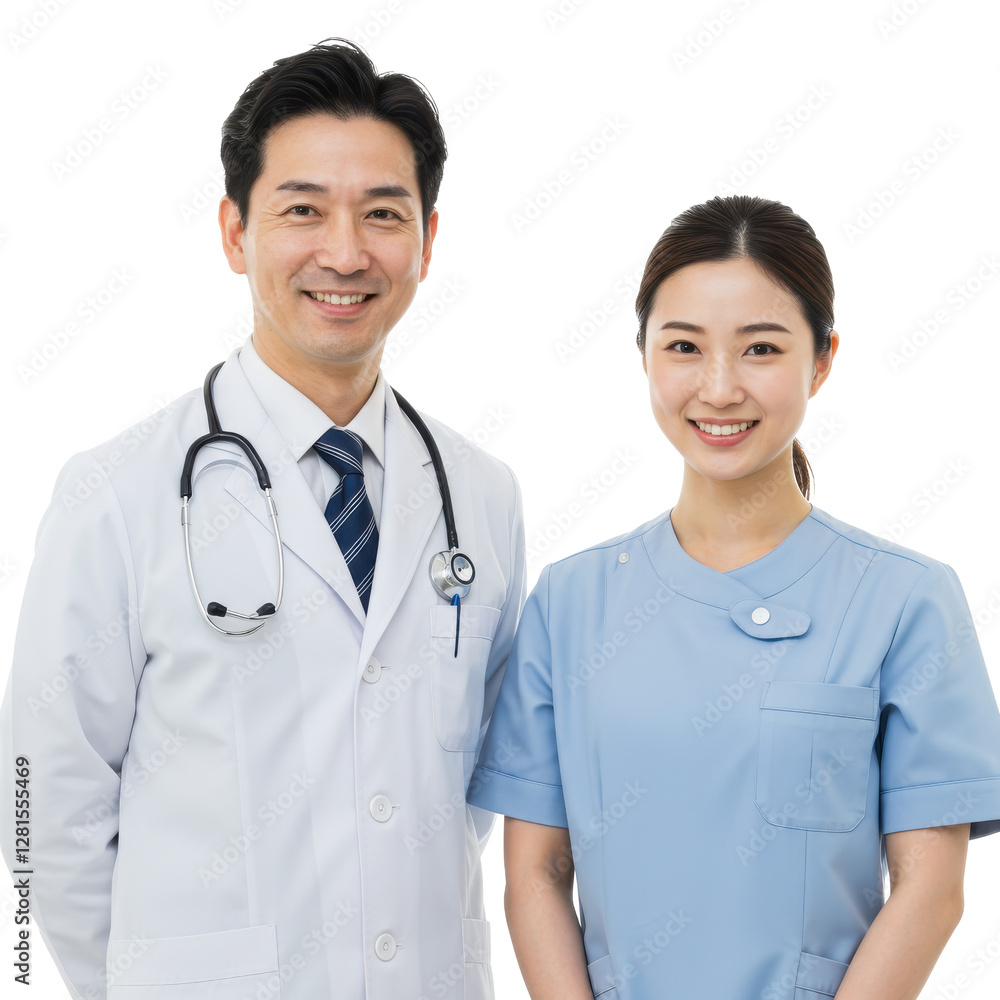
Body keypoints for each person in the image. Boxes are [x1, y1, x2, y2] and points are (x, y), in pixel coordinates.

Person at [0, 39, 525, 1000]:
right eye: (302, 210)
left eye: (382, 215)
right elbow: (40, 802)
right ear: (235, 233)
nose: (345, 251)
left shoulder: (481, 495)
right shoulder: (116, 493)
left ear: (429, 240)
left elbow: (466, 789)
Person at [467, 195, 1000, 1000]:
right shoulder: (571, 602)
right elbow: (536, 873)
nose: (718, 388)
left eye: (760, 349)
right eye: (684, 346)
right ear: (644, 355)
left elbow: (931, 891)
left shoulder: (905, 601)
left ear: (821, 361)